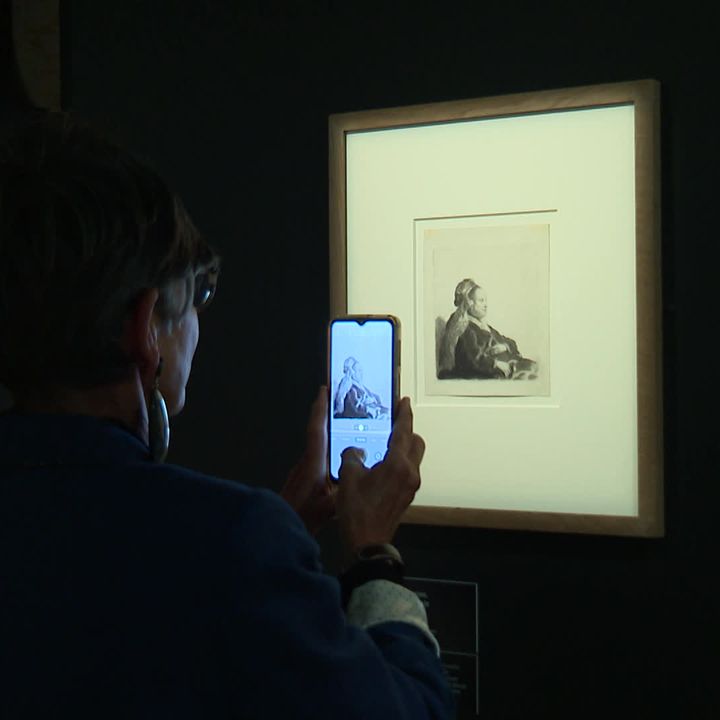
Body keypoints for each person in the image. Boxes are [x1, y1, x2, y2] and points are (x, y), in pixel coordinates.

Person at [0, 113, 454, 718]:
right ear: (146, 328)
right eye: (199, 297)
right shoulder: (231, 541)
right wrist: (374, 555)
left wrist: (281, 528)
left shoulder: (235, 542)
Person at [439, 278, 537, 380]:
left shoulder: (483, 325)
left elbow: (509, 342)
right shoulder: (464, 328)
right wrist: (495, 364)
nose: (486, 305)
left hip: (505, 366)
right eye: (481, 301)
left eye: (485, 300)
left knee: (533, 367)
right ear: (470, 303)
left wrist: (504, 346)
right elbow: (473, 359)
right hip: (482, 375)